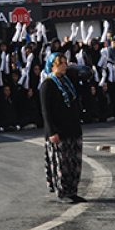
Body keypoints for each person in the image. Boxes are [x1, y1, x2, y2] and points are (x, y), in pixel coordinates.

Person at [39, 53, 85, 204]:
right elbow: (46, 111)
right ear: (52, 66)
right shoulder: (47, 84)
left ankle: (73, 190)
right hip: (58, 130)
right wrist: (52, 131)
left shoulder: (68, 81)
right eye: (60, 64)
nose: (64, 66)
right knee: (62, 163)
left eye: (65, 63)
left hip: (72, 127)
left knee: (74, 162)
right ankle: (63, 191)